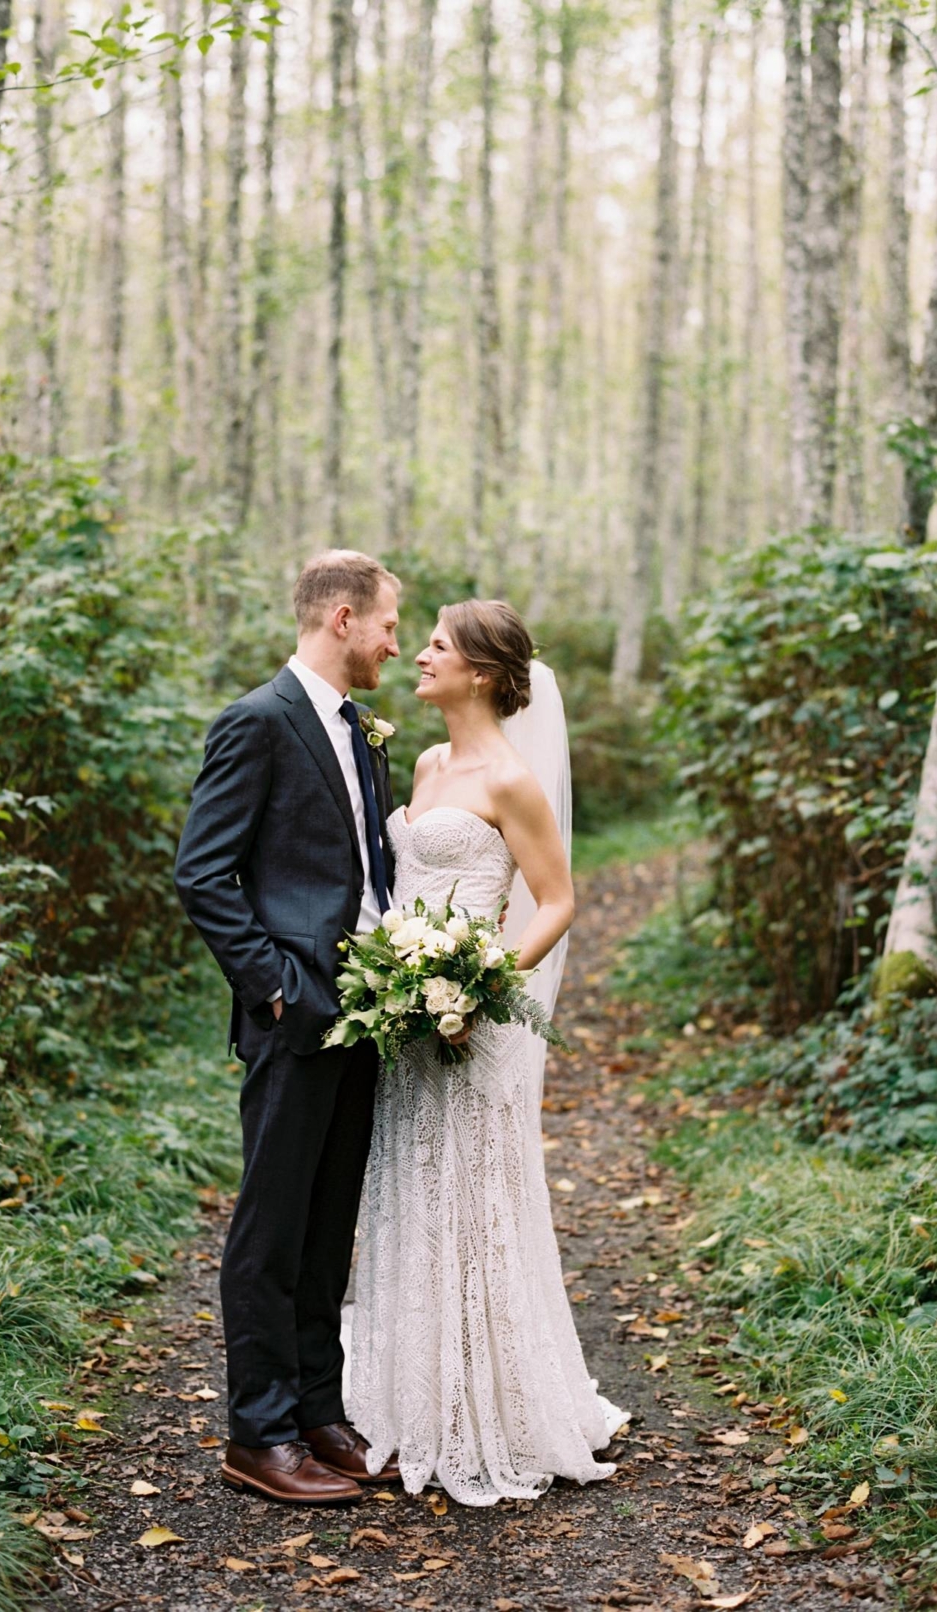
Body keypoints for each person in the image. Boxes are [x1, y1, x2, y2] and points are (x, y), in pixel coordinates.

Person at [349, 599, 624, 1505]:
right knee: (413, 1192)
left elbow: (555, 902)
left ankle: (495, 1405)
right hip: (406, 1022)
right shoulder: (424, 761)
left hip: (472, 1025)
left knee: (477, 1199)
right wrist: (400, 980)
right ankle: (414, 1395)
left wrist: (478, 984)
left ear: (480, 673)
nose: (417, 653)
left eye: (436, 645)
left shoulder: (510, 779)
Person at [173, 549, 404, 1505]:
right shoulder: (258, 722)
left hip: (366, 1013)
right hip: (293, 1009)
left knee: (326, 1222)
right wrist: (271, 982)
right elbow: (203, 872)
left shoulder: (364, 734)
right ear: (342, 617)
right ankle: (256, 1433)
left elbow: (365, 870)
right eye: (390, 622)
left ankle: (317, 1410)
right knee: (270, 1227)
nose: (397, 641)